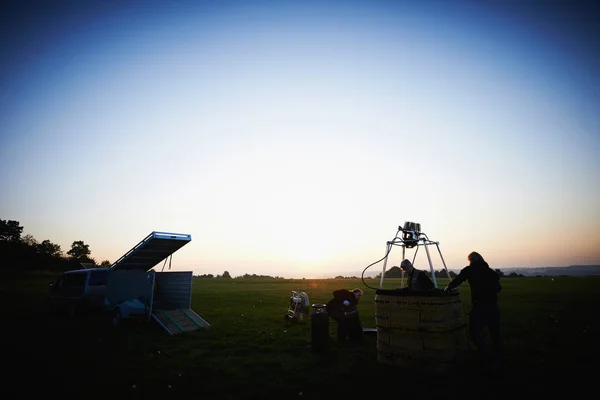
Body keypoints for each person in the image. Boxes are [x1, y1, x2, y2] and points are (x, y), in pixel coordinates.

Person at [445, 251, 503, 370]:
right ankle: (499, 356)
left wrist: (448, 288)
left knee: (474, 331)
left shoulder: (470, 270)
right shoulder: (491, 272)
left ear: (471, 260)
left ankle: (484, 356)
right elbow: (498, 288)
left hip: (480, 305)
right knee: (495, 332)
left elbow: (458, 280)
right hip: (493, 305)